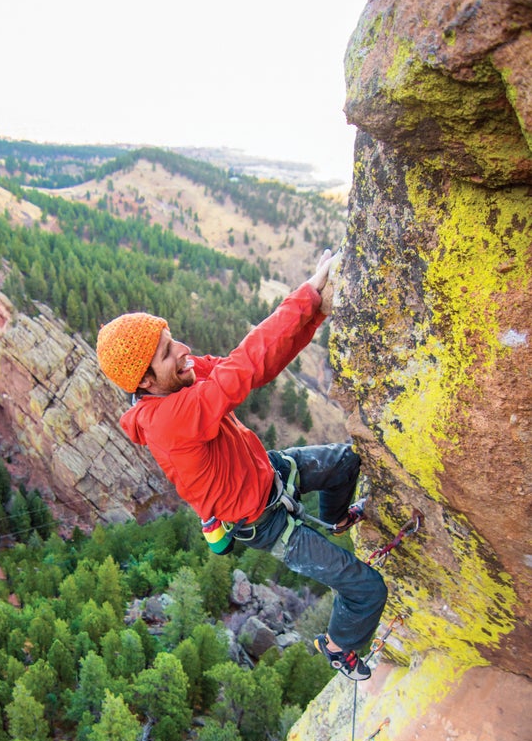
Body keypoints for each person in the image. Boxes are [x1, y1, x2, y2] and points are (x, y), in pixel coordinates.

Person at [96, 250, 387, 680]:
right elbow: (242, 369)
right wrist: (305, 295)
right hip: (265, 522)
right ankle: (339, 645)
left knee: (346, 462)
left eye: (172, 338)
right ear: (144, 381)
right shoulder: (167, 421)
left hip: (267, 473)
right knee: (366, 589)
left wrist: (315, 312)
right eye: (166, 352)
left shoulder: (182, 375)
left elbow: (257, 364)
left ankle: (340, 516)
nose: (183, 350)